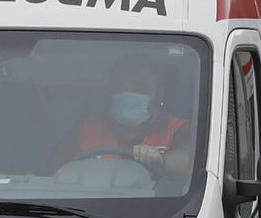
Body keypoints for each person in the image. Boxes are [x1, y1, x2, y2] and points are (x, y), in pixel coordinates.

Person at [62, 53, 193, 179]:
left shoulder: (178, 129)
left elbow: (189, 161)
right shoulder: (86, 131)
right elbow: (58, 174)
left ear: (159, 94)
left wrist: (162, 160)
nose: (129, 93)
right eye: (120, 87)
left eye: (140, 87)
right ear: (109, 91)